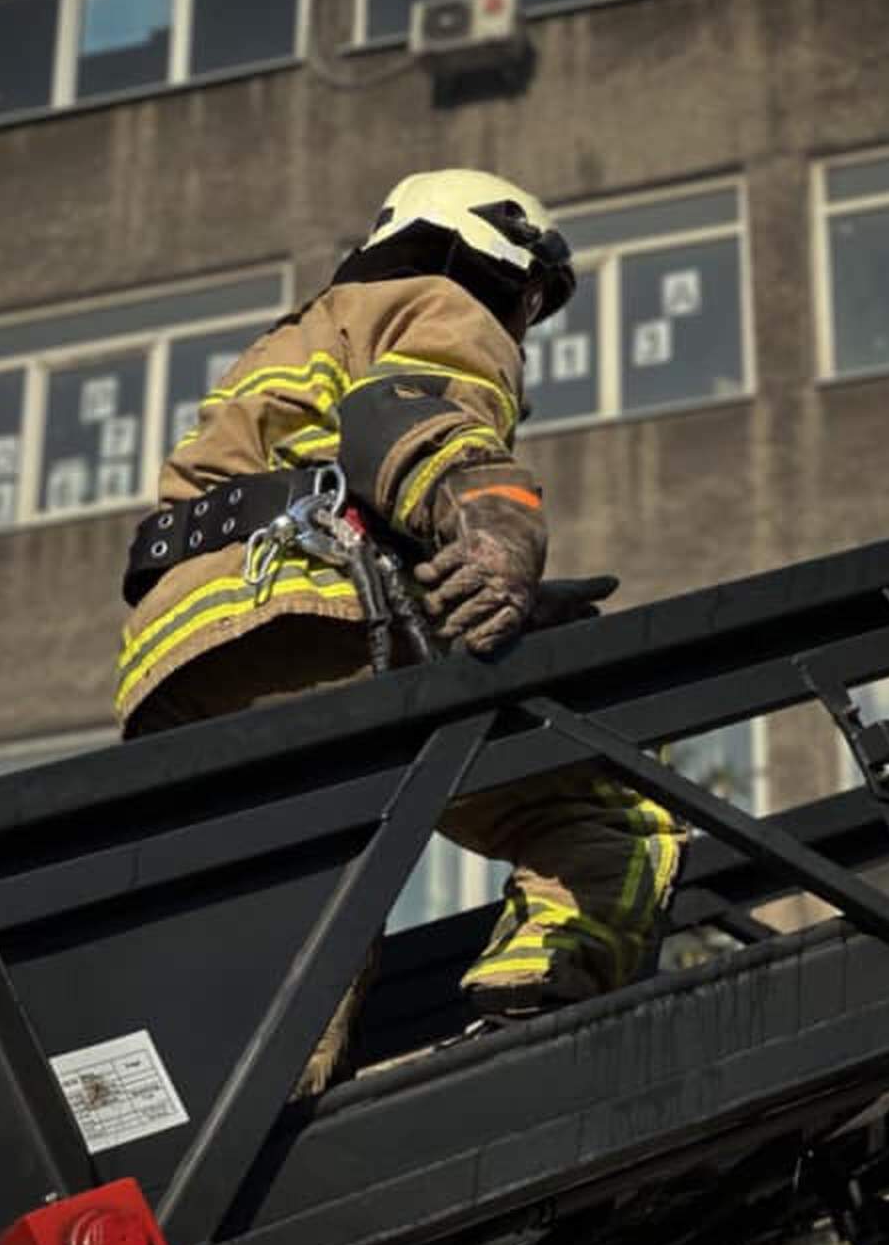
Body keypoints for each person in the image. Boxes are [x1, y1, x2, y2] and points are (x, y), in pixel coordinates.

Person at [116, 169, 686, 1094]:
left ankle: (261, 1122)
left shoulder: (291, 340)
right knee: (620, 799)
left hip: (183, 672)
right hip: (317, 622)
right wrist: (494, 531)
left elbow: (304, 474)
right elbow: (409, 414)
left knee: (308, 918)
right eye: (533, 291)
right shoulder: (441, 298)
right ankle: (536, 1001)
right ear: (492, 248)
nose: (526, 318)